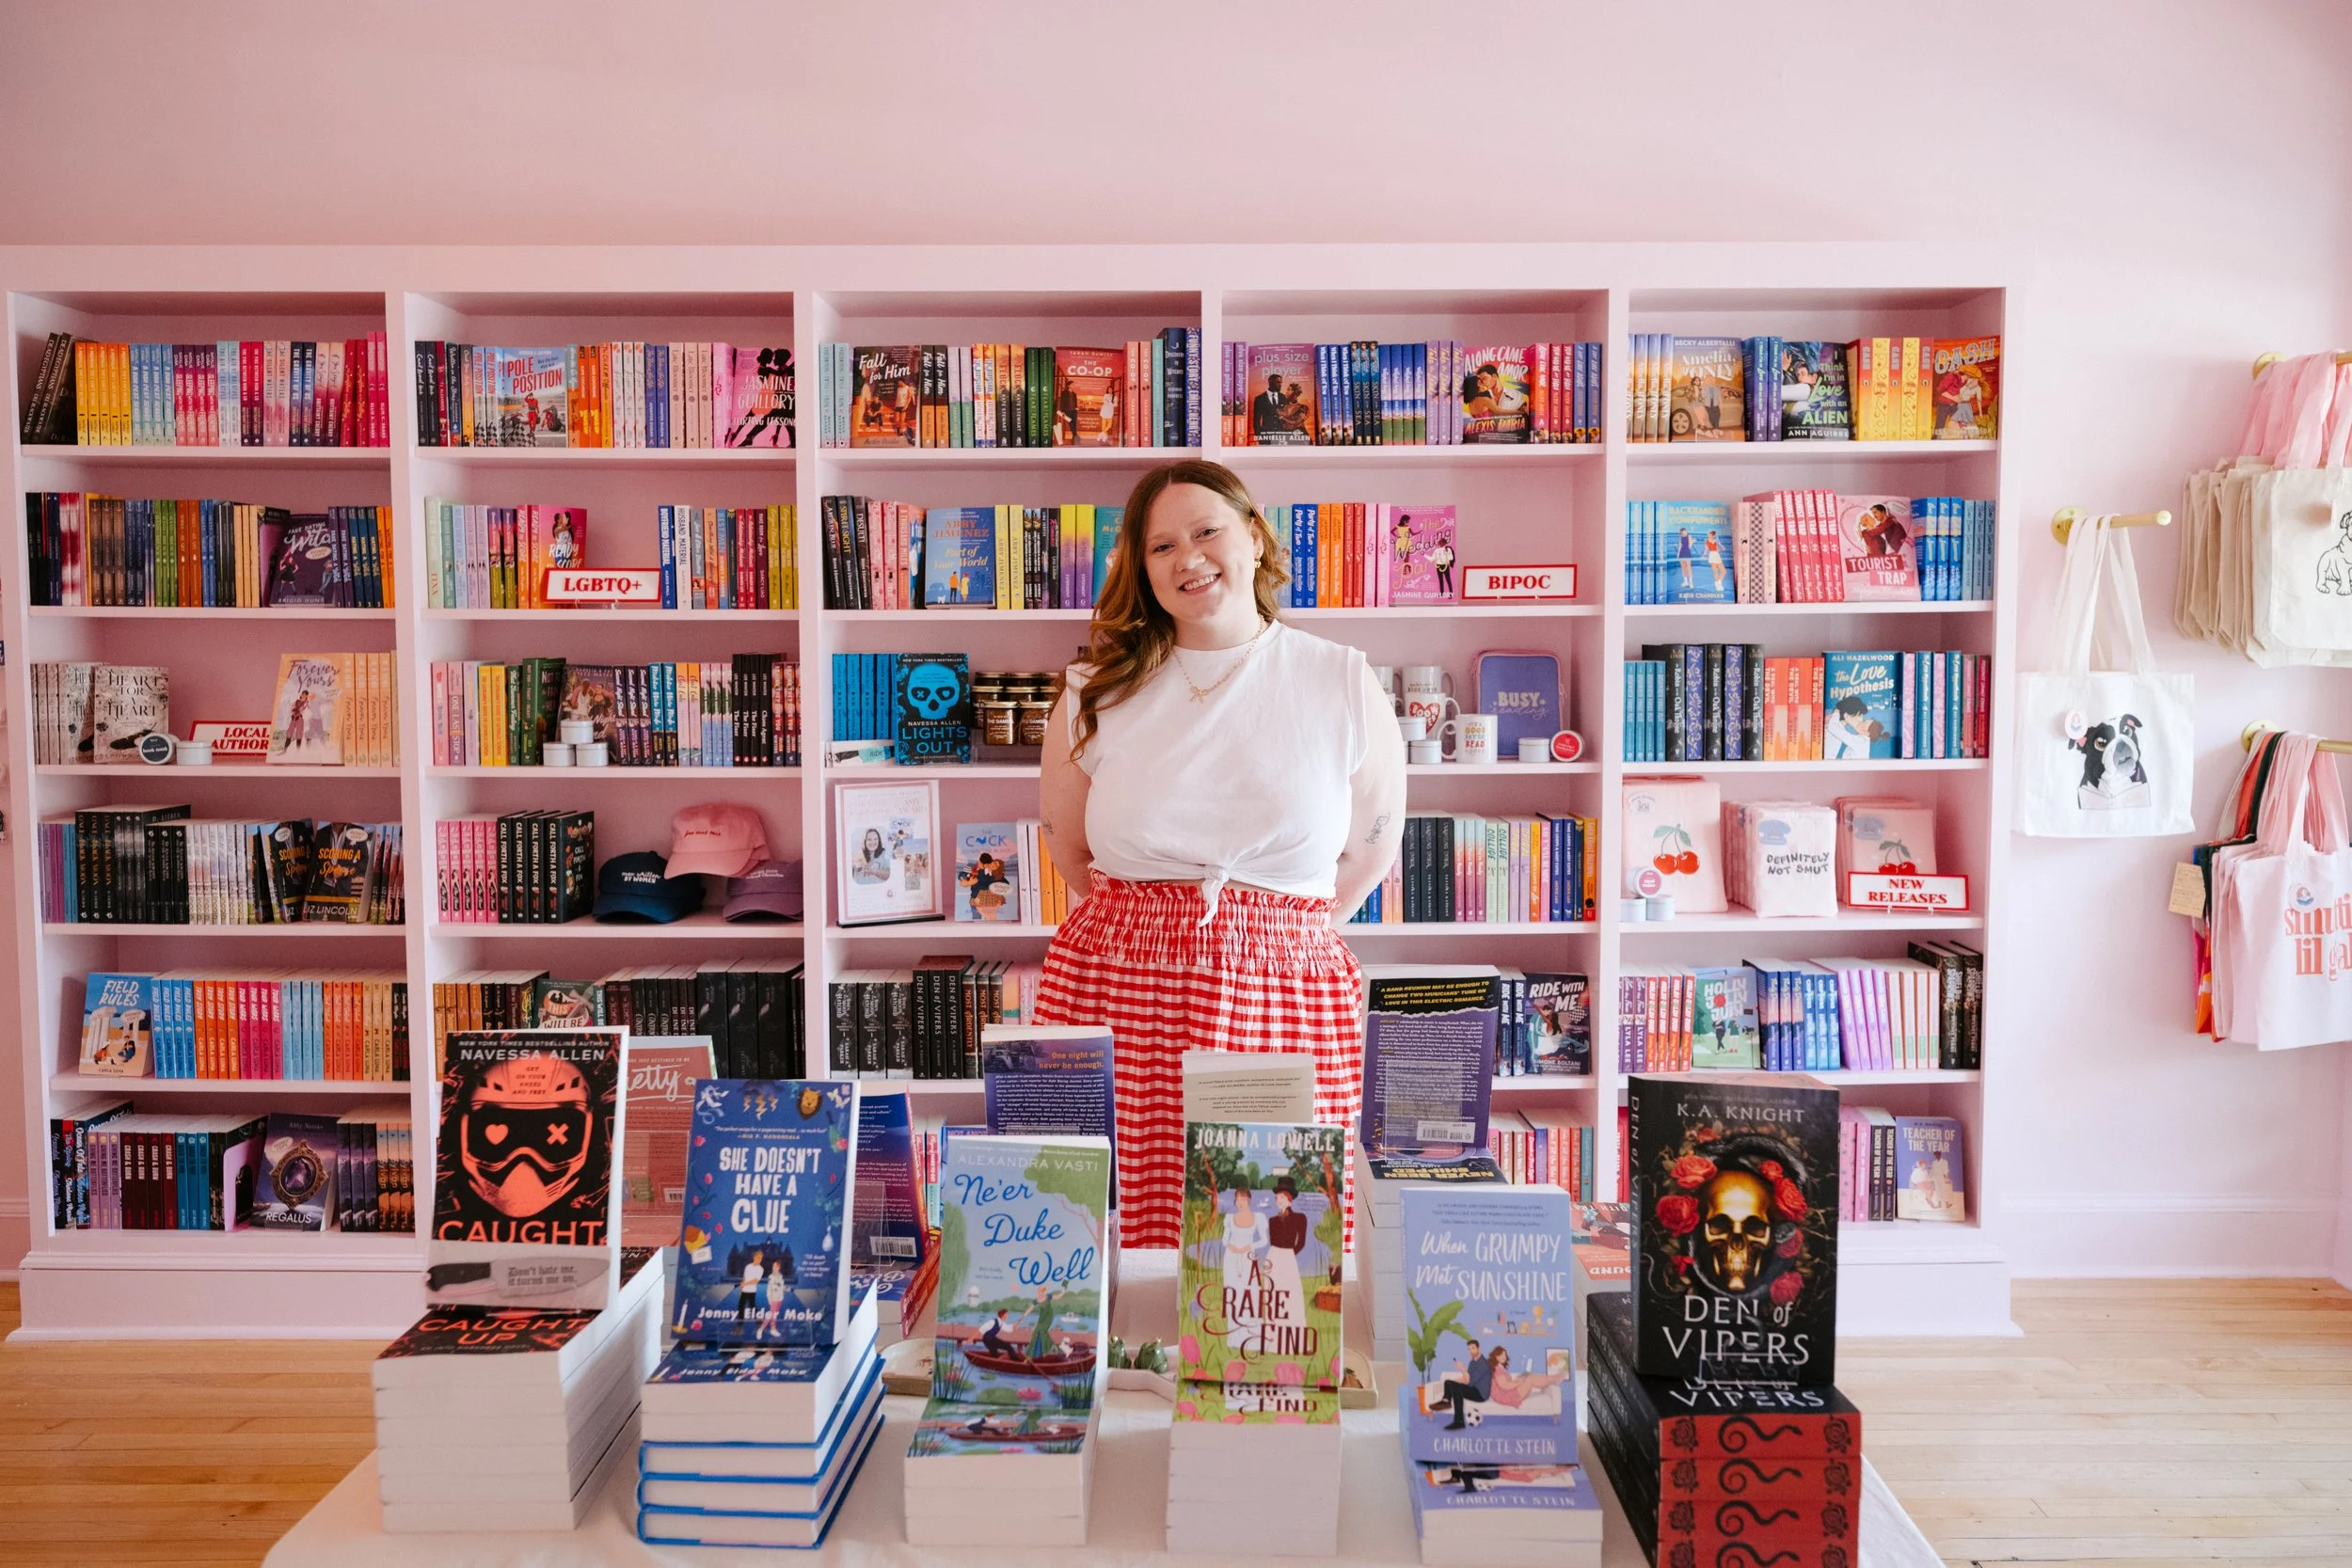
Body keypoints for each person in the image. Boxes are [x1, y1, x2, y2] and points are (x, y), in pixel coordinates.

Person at [1036, 460, 1406, 1247]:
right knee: (1104, 1233)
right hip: (1119, 984)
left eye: (1206, 531)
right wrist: (1159, 925)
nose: (1188, 557)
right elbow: (1069, 846)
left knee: (1271, 1248)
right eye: (1161, 545)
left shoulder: (1338, 678)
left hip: (1282, 993)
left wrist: (1268, 934)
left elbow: (1370, 847)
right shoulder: (1093, 688)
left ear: (1255, 536)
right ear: (1141, 569)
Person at [1220, 1186, 1268, 1348]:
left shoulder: (1258, 1217)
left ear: (1249, 1199)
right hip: (1231, 1258)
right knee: (1233, 1294)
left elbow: (1264, 1240)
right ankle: (1234, 1338)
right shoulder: (1229, 1218)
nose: (1240, 1202)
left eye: (1243, 1199)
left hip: (1248, 1257)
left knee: (1251, 1292)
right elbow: (1224, 1239)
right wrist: (1232, 1247)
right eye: (1237, 1199)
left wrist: (1248, 1246)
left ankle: (1252, 1337)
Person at [1264, 1177, 1310, 1326]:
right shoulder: (1272, 1220)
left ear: (1289, 1198)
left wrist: (1289, 1255)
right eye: (1277, 1196)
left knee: (1290, 1290)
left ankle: (1291, 1325)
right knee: (1273, 1290)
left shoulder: (1300, 1218)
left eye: (1282, 1196)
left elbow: (1301, 1242)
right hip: (1273, 1256)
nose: (1278, 1199)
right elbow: (1274, 1241)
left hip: (1288, 1257)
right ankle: (1273, 1328)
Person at [1439, 1339, 1492, 1429]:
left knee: (1457, 1389)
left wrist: (1462, 1369)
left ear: (1478, 1349)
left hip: (1481, 1394)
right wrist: (1451, 1383)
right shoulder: (1472, 1362)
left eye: (1473, 1348)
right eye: (1469, 1349)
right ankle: (1445, 1401)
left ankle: (1459, 1422)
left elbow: (1469, 1381)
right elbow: (1466, 1378)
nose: (1471, 1351)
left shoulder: (1483, 1364)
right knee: (1448, 1382)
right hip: (1473, 1388)